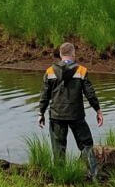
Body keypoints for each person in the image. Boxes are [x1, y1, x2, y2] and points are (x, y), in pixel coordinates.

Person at [38, 42, 103, 179]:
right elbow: (90, 93)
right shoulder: (81, 71)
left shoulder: (50, 71)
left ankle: (61, 177)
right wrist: (98, 110)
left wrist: (41, 113)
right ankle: (92, 174)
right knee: (87, 144)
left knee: (58, 148)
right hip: (76, 115)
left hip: (56, 115)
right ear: (73, 54)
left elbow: (44, 95)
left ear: (60, 55)